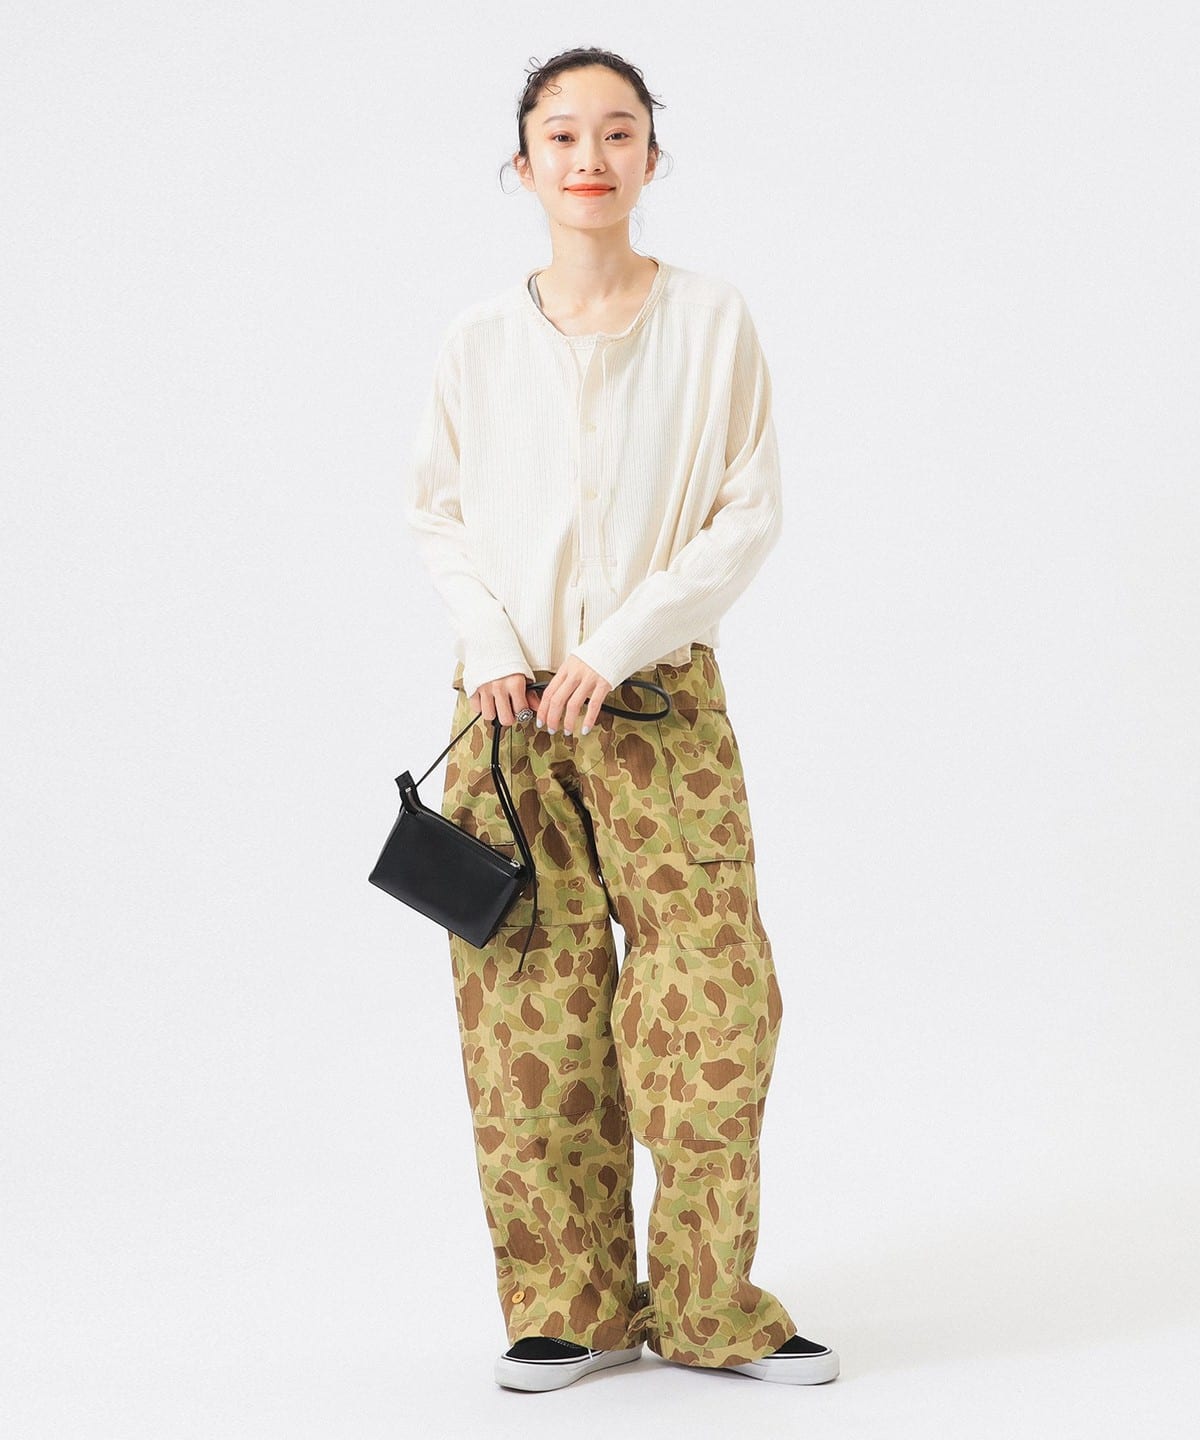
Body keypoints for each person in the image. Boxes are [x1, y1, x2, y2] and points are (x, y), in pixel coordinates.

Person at [404, 45, 839, 1392]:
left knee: (712, 1000)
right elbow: (438, 514)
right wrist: (496, 647)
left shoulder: (711, 321)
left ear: (652, 155)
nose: (589, 156)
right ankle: (566, 1306)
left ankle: (709, 1307)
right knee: (526, 1011)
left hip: (658, 705)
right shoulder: (477, 340)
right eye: (561, 133)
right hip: (508, 718)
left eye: (617, 131)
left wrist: (616, 641)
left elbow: (747, 512)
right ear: (523, 162)